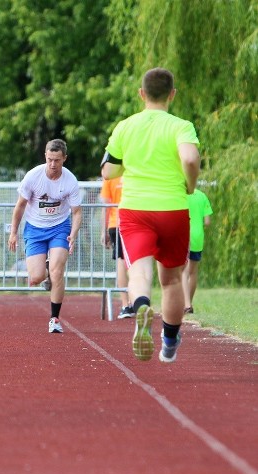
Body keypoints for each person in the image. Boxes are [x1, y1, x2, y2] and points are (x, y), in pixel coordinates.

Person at [102, 67, 201, 363]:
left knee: (139, 272)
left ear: (141, 94)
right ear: (172, 94)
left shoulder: (125, 126)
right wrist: (191, 184)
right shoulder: (181, 126)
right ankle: (169, 342)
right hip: (172, 208)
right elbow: (190, 157)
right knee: (170, 280)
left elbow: (108, 171)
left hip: (135, 210)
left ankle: (142, 304)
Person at [8, 139, 83, 334]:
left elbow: (76, 212)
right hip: (35, 229)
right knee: (36, 276)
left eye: (57, 160)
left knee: (58, 272)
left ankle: (55, 319)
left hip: (60, 227)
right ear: (45, 156)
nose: (52, 164)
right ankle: (46, 269)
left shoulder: (70, 181)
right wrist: (14, 232)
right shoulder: (33, 177)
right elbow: (20, 206)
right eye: (50, 159)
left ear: (64, 159)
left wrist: (73, 235)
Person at [100, 176, 133, 319]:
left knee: (121, 261)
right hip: (134, 222)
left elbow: (105, 206)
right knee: (134, 262)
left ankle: (127, 304)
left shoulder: (110, 175)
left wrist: (104, 230)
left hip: (118, 223)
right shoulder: (134, 170)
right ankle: (134, 301)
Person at [182, 187, 213, 314]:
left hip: (183, 234)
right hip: (198, 236)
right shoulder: (202, 195)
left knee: (183, 270)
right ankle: (189, 303)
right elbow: (207, 222)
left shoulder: (180, 194)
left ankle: (186, 304)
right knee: (193, 272)